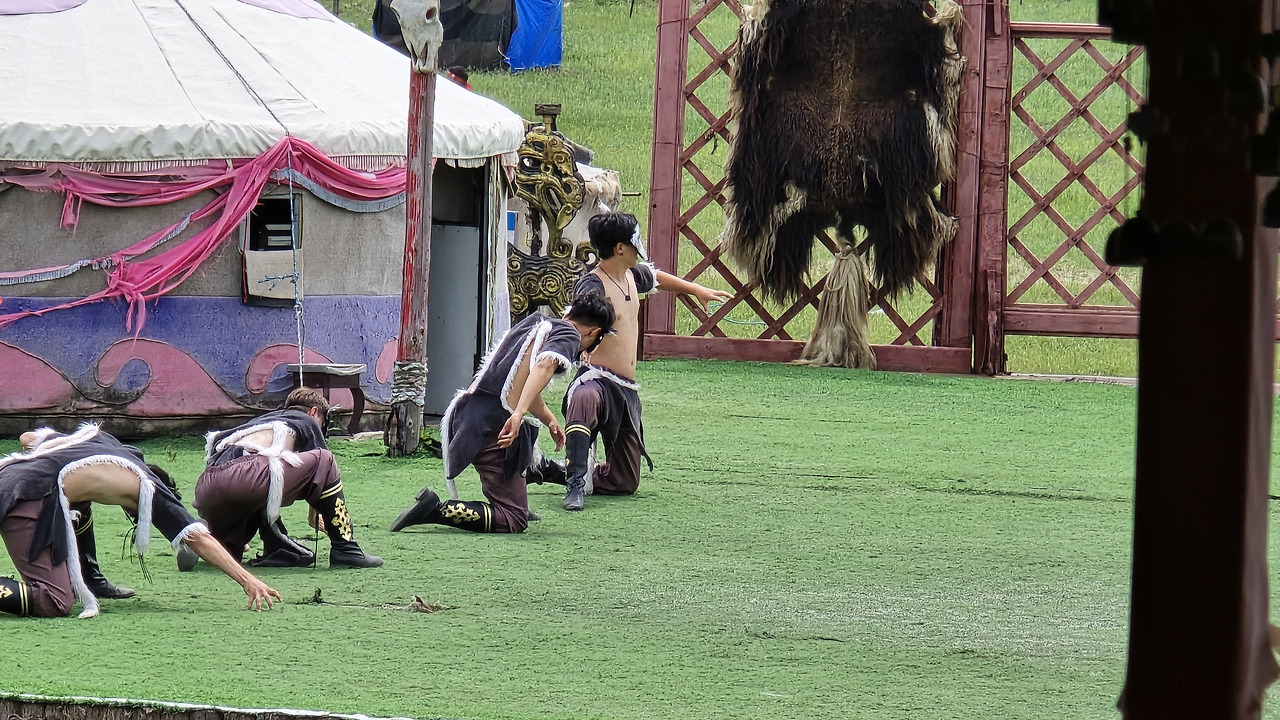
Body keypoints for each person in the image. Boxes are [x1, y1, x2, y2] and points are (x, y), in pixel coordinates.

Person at [526, 212, 732, 510]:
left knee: (624, 481)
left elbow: (656, 277)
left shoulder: (631, 275)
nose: (639, 247)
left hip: (625, 390)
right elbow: (573, 321)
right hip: (596, 379)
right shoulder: (592, 285)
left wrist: (696, 289)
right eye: (635, 241)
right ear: (620, 248)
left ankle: (549, 470)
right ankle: (574, 486)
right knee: (584, 398)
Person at [389, 292, 616, 534]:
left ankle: (514, 496)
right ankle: (435, 509)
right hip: (491, 425)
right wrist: (517, 415)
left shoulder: (535, 323)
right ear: (594, 332)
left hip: (472, 414)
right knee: (513, 518)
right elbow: (543, 366)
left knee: (523, 451)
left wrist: (549, 420)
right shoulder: (570, 333)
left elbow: (521, 382)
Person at [0, 425, 281, 617]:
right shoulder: (150, 489)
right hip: (25, 496)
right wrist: (248, 580)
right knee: (55, 601)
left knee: (79, 505)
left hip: (8, 476)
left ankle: (92, 579)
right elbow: (199, 538)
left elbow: (27, 438)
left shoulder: (101, 440)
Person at [187, 387, 381, 570]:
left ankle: (200, 532)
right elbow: (321, 471)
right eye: (323, 421)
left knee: (227, 550)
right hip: (245, 476)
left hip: (207, 486)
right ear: (314, 412)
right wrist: (314, 517)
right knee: (326, 459)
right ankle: (346, 549)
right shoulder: (305, 420)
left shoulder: (262, 421)